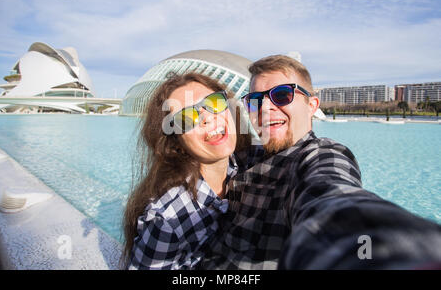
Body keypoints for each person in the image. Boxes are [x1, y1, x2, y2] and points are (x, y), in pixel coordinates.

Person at [199, 55, 441, 269]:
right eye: (255, 100)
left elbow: (333, 198)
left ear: (312, 106)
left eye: (282, 95)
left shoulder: (318, 155)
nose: (265, 108)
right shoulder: (243, 156)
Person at [122, 72, 250, 269]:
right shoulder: (166, 219)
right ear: (176, 143)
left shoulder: (248, 164)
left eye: (214, 102)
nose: (207, 118)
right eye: (187, 117)